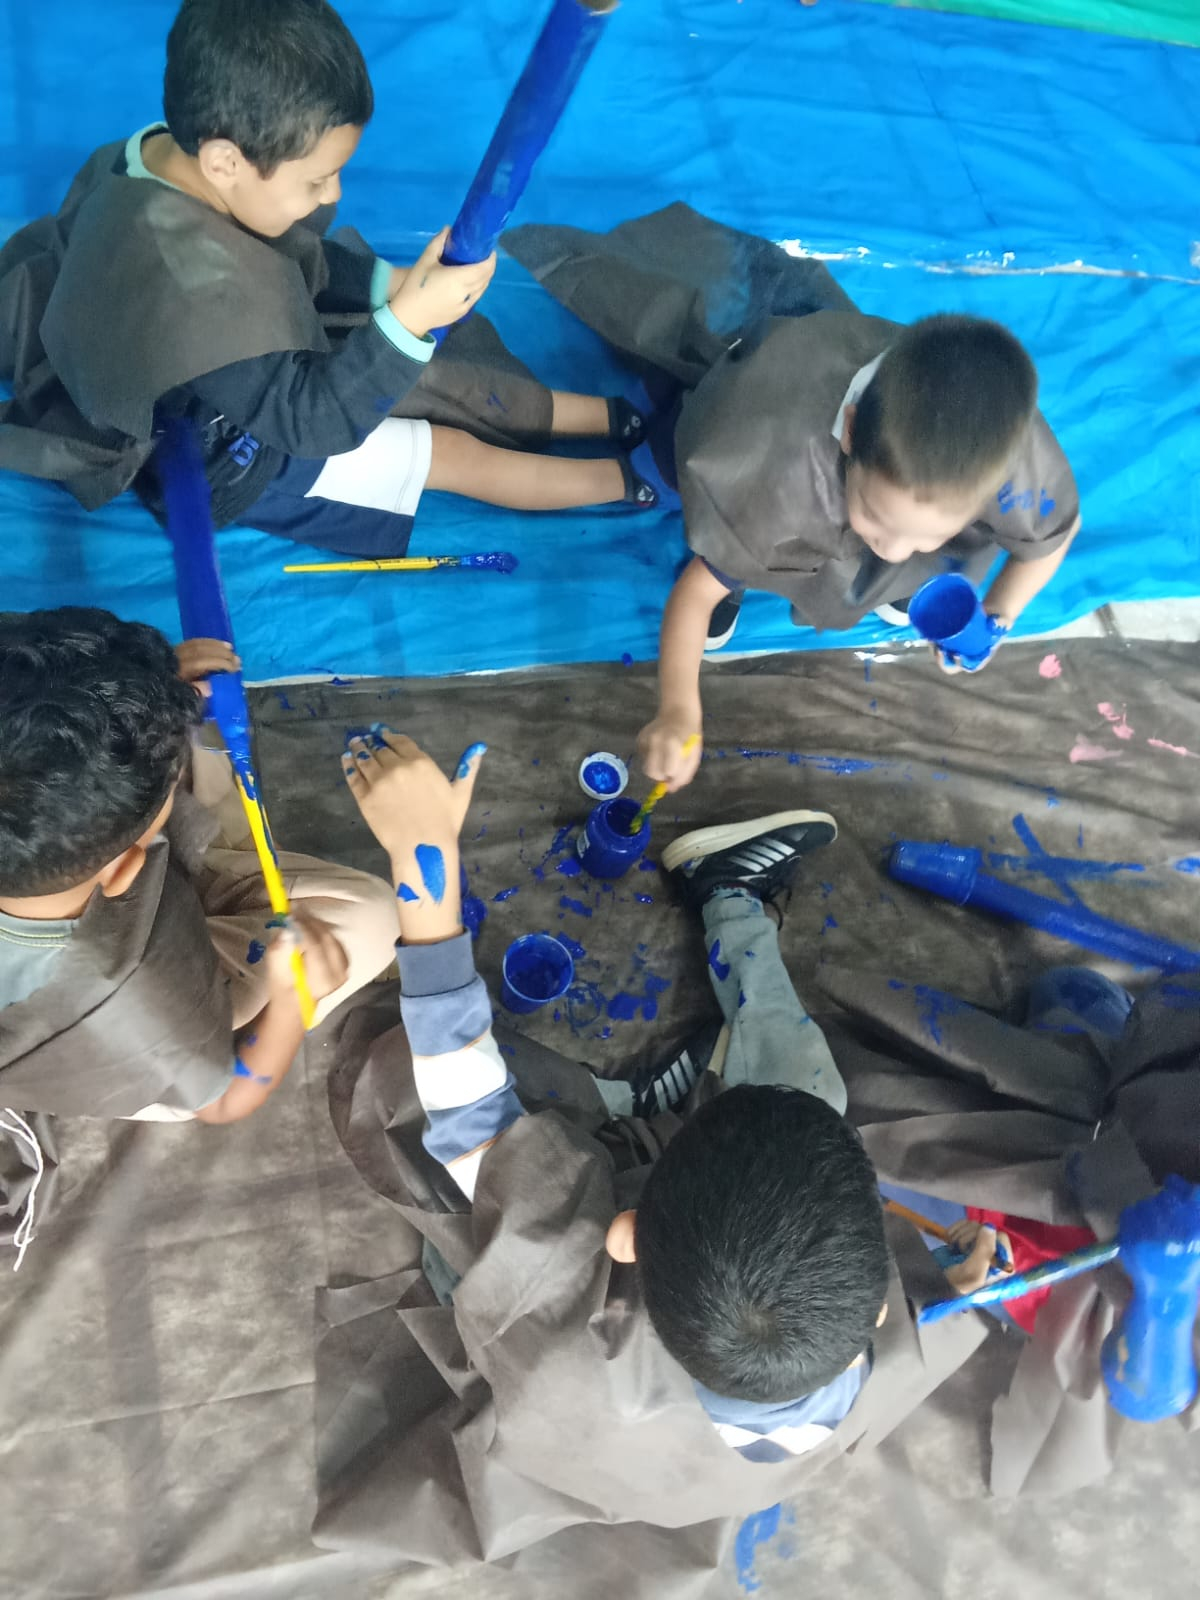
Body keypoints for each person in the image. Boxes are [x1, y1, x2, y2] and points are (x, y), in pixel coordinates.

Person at [307, 730, 997, 1564]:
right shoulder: (872, 1367)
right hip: (639, 1449)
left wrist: (426, 871)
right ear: (875, 1315)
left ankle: (617, 1109)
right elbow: (915, 1331)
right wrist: (948, 1289)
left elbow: (465, 1107)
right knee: (813, 1097)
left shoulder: (548, 1274)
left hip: (544, 1336)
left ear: (625, 1233)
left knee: (403, 1082)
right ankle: (729, 901)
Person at [0, 0, 656, 559]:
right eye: (316, 179)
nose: (333, 194)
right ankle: (636, 479)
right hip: (232, 453)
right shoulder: (199, 303)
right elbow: (311, 422)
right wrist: (407, 320)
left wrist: (391, 288)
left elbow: (292, 254)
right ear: (225, 161)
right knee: (453, 451)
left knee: (447, 374)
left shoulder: (154, 155)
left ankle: (618, 417)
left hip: (242, 362)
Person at [503, 206, 1081, 790]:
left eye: (930, 536)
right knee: (723, 516)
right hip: (765, 427)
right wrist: (679, 707)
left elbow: (1050, 538)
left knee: (903, 549)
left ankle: (899, 555)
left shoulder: (1009, 457)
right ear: (850, 431)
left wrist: (998, 613)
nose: (896, 550)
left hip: (866, 460)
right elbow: (695, 595)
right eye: (876, 518)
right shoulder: (768, 465)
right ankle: (748, 564)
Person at [0, 606, 400, 1126]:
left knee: (181, 742)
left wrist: (143, 687)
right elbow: (224, 1101)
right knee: (375, 918)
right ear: (127, 870)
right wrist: (291, 1001)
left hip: (101, 942)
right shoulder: (136, 1011)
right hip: (137, 1045)